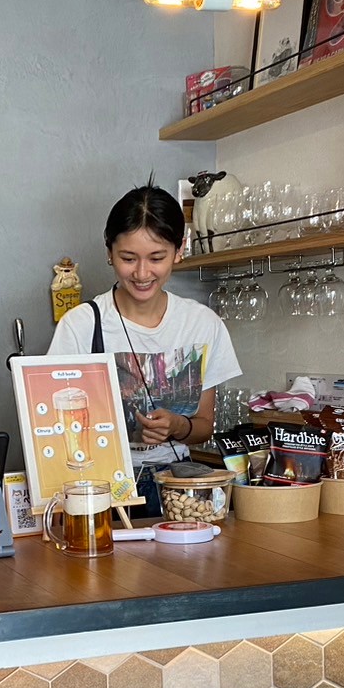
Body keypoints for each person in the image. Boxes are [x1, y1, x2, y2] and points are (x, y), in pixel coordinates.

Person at [48, 183, 241, 515]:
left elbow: (204, 425)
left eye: (156, 258)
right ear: (109, 252)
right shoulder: (80, 325)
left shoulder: (202, 324)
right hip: (101, 489)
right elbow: (56, 430)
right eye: (128, 258)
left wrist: (177, 426)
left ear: (179, 250)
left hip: (176, 489)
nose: (141, 273)